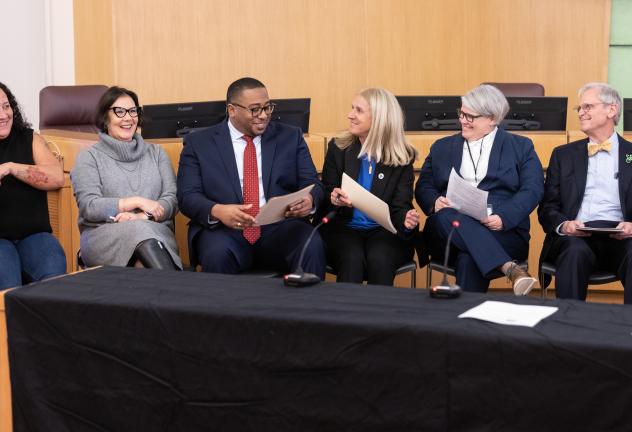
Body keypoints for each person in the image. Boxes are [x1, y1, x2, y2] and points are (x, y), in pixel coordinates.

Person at [177, 77, 326, 277]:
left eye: (268, 107)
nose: (263, 115)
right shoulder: (199, 143)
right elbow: (187, 196)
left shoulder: (290, 137)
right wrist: (218, 210)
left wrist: (310, 200)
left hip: (279, 227)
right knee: (216, 253)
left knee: (311, 244)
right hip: (225, 230)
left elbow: (312, 182)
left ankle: (310, 308)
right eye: (255, 109)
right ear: (232, 110)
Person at [415, 84, 544, 295]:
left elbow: (533, 188)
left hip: (502, 232)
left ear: (492, 119)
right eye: (461, 113)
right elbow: (424, 186)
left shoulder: (521, 147)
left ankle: (463, 326)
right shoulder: (441, 147)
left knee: (469, 259)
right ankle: (509, 267)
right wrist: (434, 201)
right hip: (448, 231)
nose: (462, 120)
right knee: (446, 215)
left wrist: (504, 217)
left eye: (469, 116)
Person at [538, 82, 632, 302]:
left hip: (621, 237)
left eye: (588, 107)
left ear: (611, 110)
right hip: (576, 236)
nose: (581, 113)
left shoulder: (631, 155)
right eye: (579, 108)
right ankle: (568, 329)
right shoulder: (563, 155)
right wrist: (565, 225)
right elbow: (547, 207)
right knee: (573, 252)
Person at [71, 86, 181, 270]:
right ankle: (178, 292)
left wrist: (142, 216)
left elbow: (172, 200)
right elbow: (89, 207)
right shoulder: (89, 157)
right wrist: (136, 201)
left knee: (141, 253)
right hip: (103, 236)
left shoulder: (157, 153)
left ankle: (171, 293)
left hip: (154, 231)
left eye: (132, 111)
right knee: (140, 238)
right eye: (119, 112)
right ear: (105, 118)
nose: (128, 118)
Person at [321, 88, 419, 285]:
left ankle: (379, 316)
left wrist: (407, 220)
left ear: (379, 119)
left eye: (358, 110)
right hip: (344, 228)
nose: (350, 115)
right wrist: (334, 198)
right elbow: (325, 192)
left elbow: (401, 206)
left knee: (380, 258)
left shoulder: (402, 157)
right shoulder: (338, 148)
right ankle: (346, 316)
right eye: (352, 108)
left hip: (384, 232)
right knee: (351, 258)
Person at [0, 79, 66, 309]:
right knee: (7, 285)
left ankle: (50, 343)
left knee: (54, 276)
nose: (3, 114)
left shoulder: (30, 139)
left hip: (34, 235)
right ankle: (13, 344)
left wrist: (13, 167)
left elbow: (56, 177)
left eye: (6, 106)